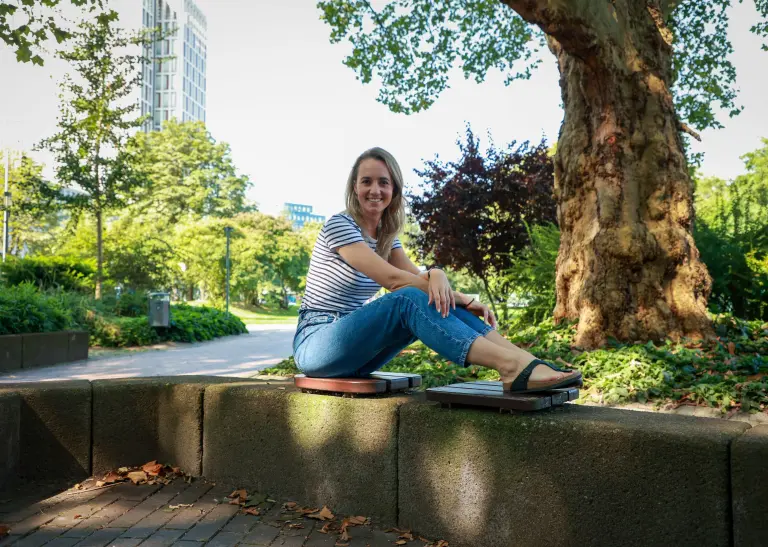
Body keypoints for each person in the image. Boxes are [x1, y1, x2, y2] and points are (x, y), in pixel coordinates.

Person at [293, 147, 581, 393]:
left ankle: (527, 362)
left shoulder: (386, 237)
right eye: (366, 181)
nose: (375, 190)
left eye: (384, 182)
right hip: (317, 343)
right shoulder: (339, 226)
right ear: (354, 187)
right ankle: (510, 367)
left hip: (356, 350)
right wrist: (439, 280)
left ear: (394, 190)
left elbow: (421, 281)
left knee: (429, 297)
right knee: (408, 299)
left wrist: (455, 292)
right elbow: (394, 281)